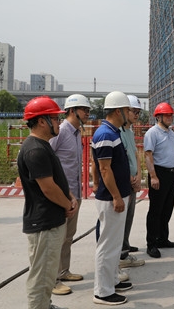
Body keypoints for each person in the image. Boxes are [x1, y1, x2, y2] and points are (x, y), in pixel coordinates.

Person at [17, 96, 77, 309]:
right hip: (44, 223)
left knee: (48, 272)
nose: (59, 123)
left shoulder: (43, 146)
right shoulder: (35, 150)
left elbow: (55, 179)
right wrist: (67, 205)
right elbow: (48, 188)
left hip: (50, 220)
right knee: (41, 276)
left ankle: (45, 305)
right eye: (55, 118)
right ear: (42, 121)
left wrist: (69, 196)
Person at [91, 91, 133, 305]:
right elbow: (104, 169)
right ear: (118, 111)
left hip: (116, 196)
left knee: (114, 245)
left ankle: (112, 281)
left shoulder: (112, 132)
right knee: (107, 246)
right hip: (110, 199)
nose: (129, 113)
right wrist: (117, 197)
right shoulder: (105, 134)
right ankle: (102, 292)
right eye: (127, 110)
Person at [49, 94, 91, 296]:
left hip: (75, 191)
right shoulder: (61, 131)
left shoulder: (76, 132)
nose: (88, 113)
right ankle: (52, 280)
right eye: (85, 110)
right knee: (57, 237)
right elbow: (47, 158)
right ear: (72, 111)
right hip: (61, 193)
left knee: (68, 236)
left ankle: (63, 271)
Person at [144, 102, 174, 258]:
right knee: (155, 210)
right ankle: (151, 244)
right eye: (167, 115)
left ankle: (163, 239)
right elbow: (148, 154)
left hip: (171, 173)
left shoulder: (171, 133)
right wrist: (153, 176)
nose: (170, 118)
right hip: (159, 173)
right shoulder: (152, 133)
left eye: (171, 115)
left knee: (167, 208)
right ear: (158, 117)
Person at [118, 95, 146, 269]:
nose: (136, 115)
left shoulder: (129, 132)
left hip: (132, 182)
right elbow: (119, 160)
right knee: (120, 220)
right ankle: (121, 255)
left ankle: (125, 249)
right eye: (133, 111)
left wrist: (139, 176)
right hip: (123, 182)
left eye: (138, 112)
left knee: (129, 218)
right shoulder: (117, 132)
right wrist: (130, 178)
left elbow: (135, 155)